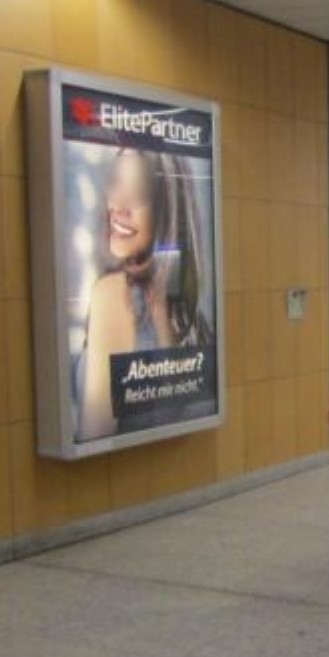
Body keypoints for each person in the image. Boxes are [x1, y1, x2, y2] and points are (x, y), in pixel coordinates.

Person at [77, 148, 213, 440]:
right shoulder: (194, 318)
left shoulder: (113, 295)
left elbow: (94, 437)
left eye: (139, 194)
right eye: (116, 183)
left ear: (167, 213)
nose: (118, 205)